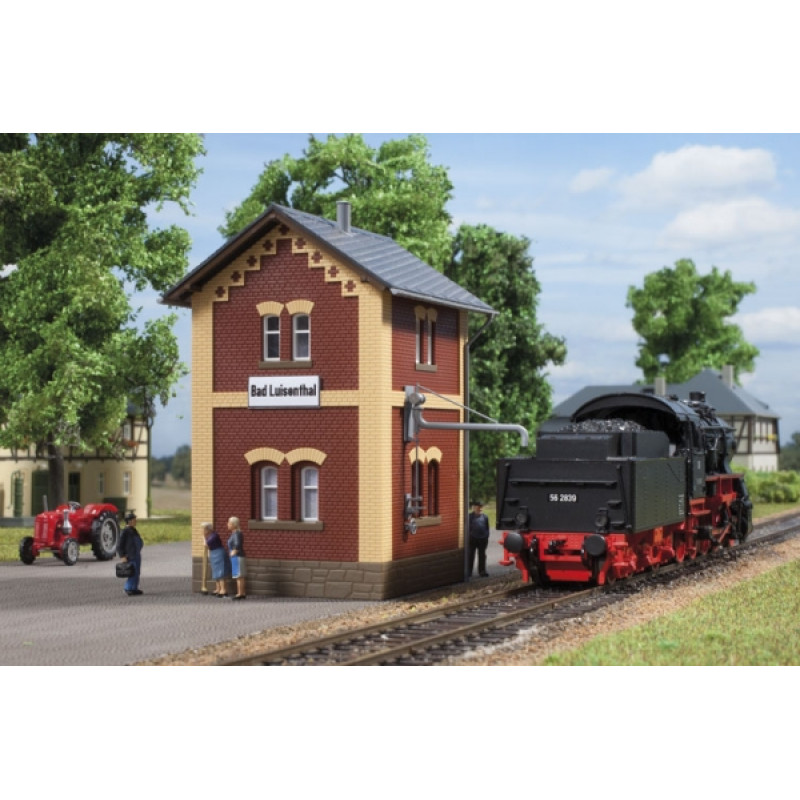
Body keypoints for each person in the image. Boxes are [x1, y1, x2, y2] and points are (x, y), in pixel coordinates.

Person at [118, 510, 144, 596]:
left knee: (137, 572)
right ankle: (128, 588)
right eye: (134, 520)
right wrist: (122, 556)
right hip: (130, 555)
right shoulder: (125, 531)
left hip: (136, 554)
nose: (135, 521)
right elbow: (119, 545)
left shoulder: (133, 530)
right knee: (132, 572)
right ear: (130, 521)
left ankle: (134, 588)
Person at [202, 522, 230, 597]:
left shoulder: (214, 536)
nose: (202, 531)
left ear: (208, 529)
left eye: (203, 529)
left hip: (219, 553)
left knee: (220, 572)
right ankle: (218, 588)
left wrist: (204, 537)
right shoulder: (209, 536)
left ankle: (223, 590)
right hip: (213, 554)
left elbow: (206, 544)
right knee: (215, 571)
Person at [468, 500, 490, 578]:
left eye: (481, 507)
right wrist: (470, 535)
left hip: (482, 539)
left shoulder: (485, 517)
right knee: (470, 555)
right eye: (478, 507)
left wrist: (486, 536)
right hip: (473, 539)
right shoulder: (470, 517)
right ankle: (469, 572)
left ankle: (482, 571)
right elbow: (468, 528)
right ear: (474, 508)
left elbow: (487, 527)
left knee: (482, 555)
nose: (480, 509)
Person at [226, 516, 247, 600]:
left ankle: (240, 593)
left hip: (237, 556)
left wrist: (234, 550)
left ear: (234, 524)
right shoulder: (235, 533)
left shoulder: (237, 534)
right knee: (239, 576)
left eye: (229, 523)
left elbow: (237, 544)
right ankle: (242, 592)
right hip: (235, 556)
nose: (227, 524)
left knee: (239, 576)